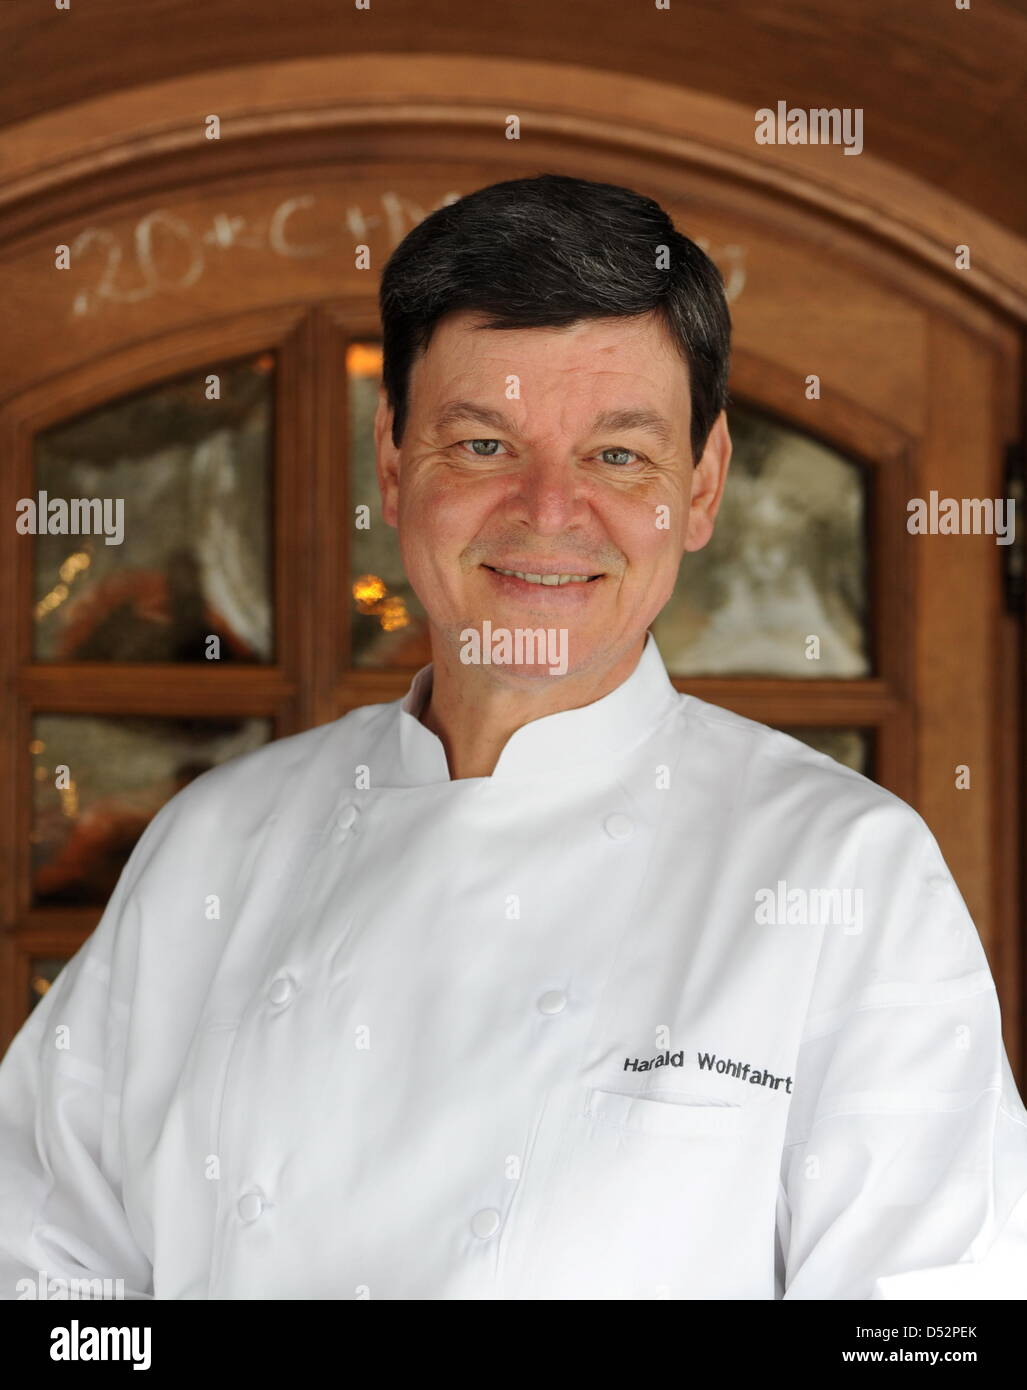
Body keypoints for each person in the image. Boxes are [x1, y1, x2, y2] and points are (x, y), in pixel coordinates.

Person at [2, 173, 1026, 1300]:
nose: (548, 512)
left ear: (703, 483)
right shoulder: (217, 846)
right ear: (393, 464)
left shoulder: (846, 872)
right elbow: (43, 1268)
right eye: (483, 445)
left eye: (618, 455)